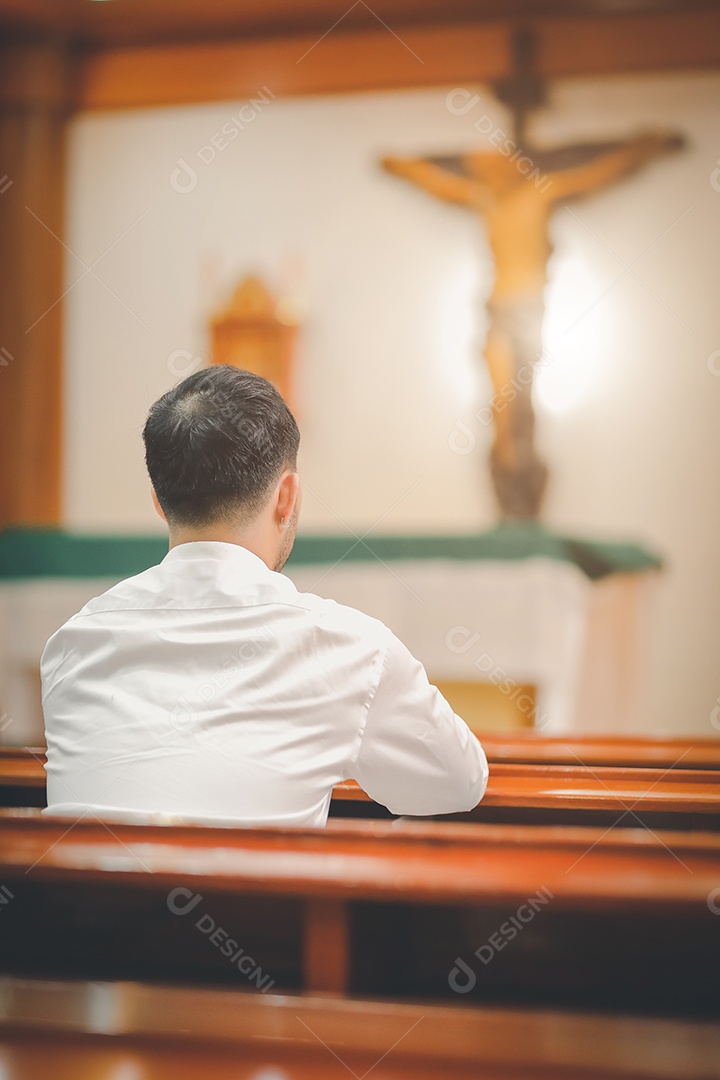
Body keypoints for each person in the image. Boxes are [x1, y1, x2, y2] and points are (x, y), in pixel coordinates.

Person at [41, 366, 488, 826]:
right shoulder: (351, 649)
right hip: (260, 900)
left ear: (158, 499)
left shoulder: (70, 646)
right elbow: (461, 784)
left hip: (82, 900)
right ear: (287, 495)